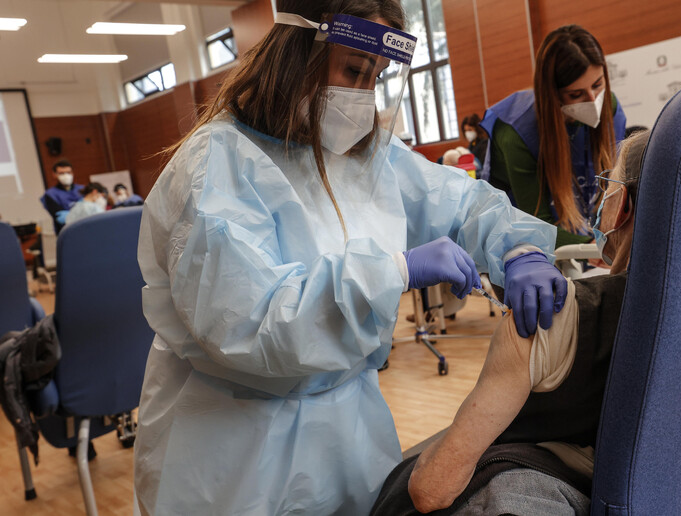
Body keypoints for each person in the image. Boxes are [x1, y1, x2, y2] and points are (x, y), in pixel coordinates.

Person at [133, 1, 567, 514]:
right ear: (297, 51)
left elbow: (459, 200)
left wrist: (518, 248)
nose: (362, 95)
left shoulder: (365, 152)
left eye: (376, 77)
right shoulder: (216, 165)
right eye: (355, 71)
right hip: (235, 455)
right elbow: (253, 324)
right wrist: (395, 271)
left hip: (350, 434)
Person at [370, 130, 650, 515]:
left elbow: (432, 490)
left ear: (624, 207)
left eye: (609, 183)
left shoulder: (550, 323)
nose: (604, 195)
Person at [480, 25, 627, 249]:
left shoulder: (610, 107)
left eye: (598, 85)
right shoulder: (516, 132)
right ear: (553, 95)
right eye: (576, 94)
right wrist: (592, 249)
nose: (592, 100)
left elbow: (612, 192)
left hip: (581, 232)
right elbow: (535, 223)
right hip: (520, 240)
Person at [40, 159, 83, 235]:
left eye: (68, 172)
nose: (66, 176)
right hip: (66, 233)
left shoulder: (82, 189)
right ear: (54, 174)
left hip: (85, 228)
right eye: (61, 173)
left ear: (72, 173)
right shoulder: (50, 194)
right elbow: (60, 217)